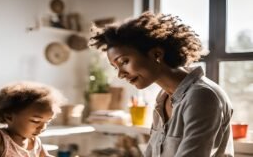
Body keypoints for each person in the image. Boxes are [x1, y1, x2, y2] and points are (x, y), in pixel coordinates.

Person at [89, 11, 234, 157]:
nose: (120, 74)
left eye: (124, 62)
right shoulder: (163, 98)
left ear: (156, 54)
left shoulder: (201, 96)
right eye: (116, 67)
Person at [0, 82, 64, 157]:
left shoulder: (35, 142)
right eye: (36, 121)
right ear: (9, 117)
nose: (42, 127)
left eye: (47, 122)